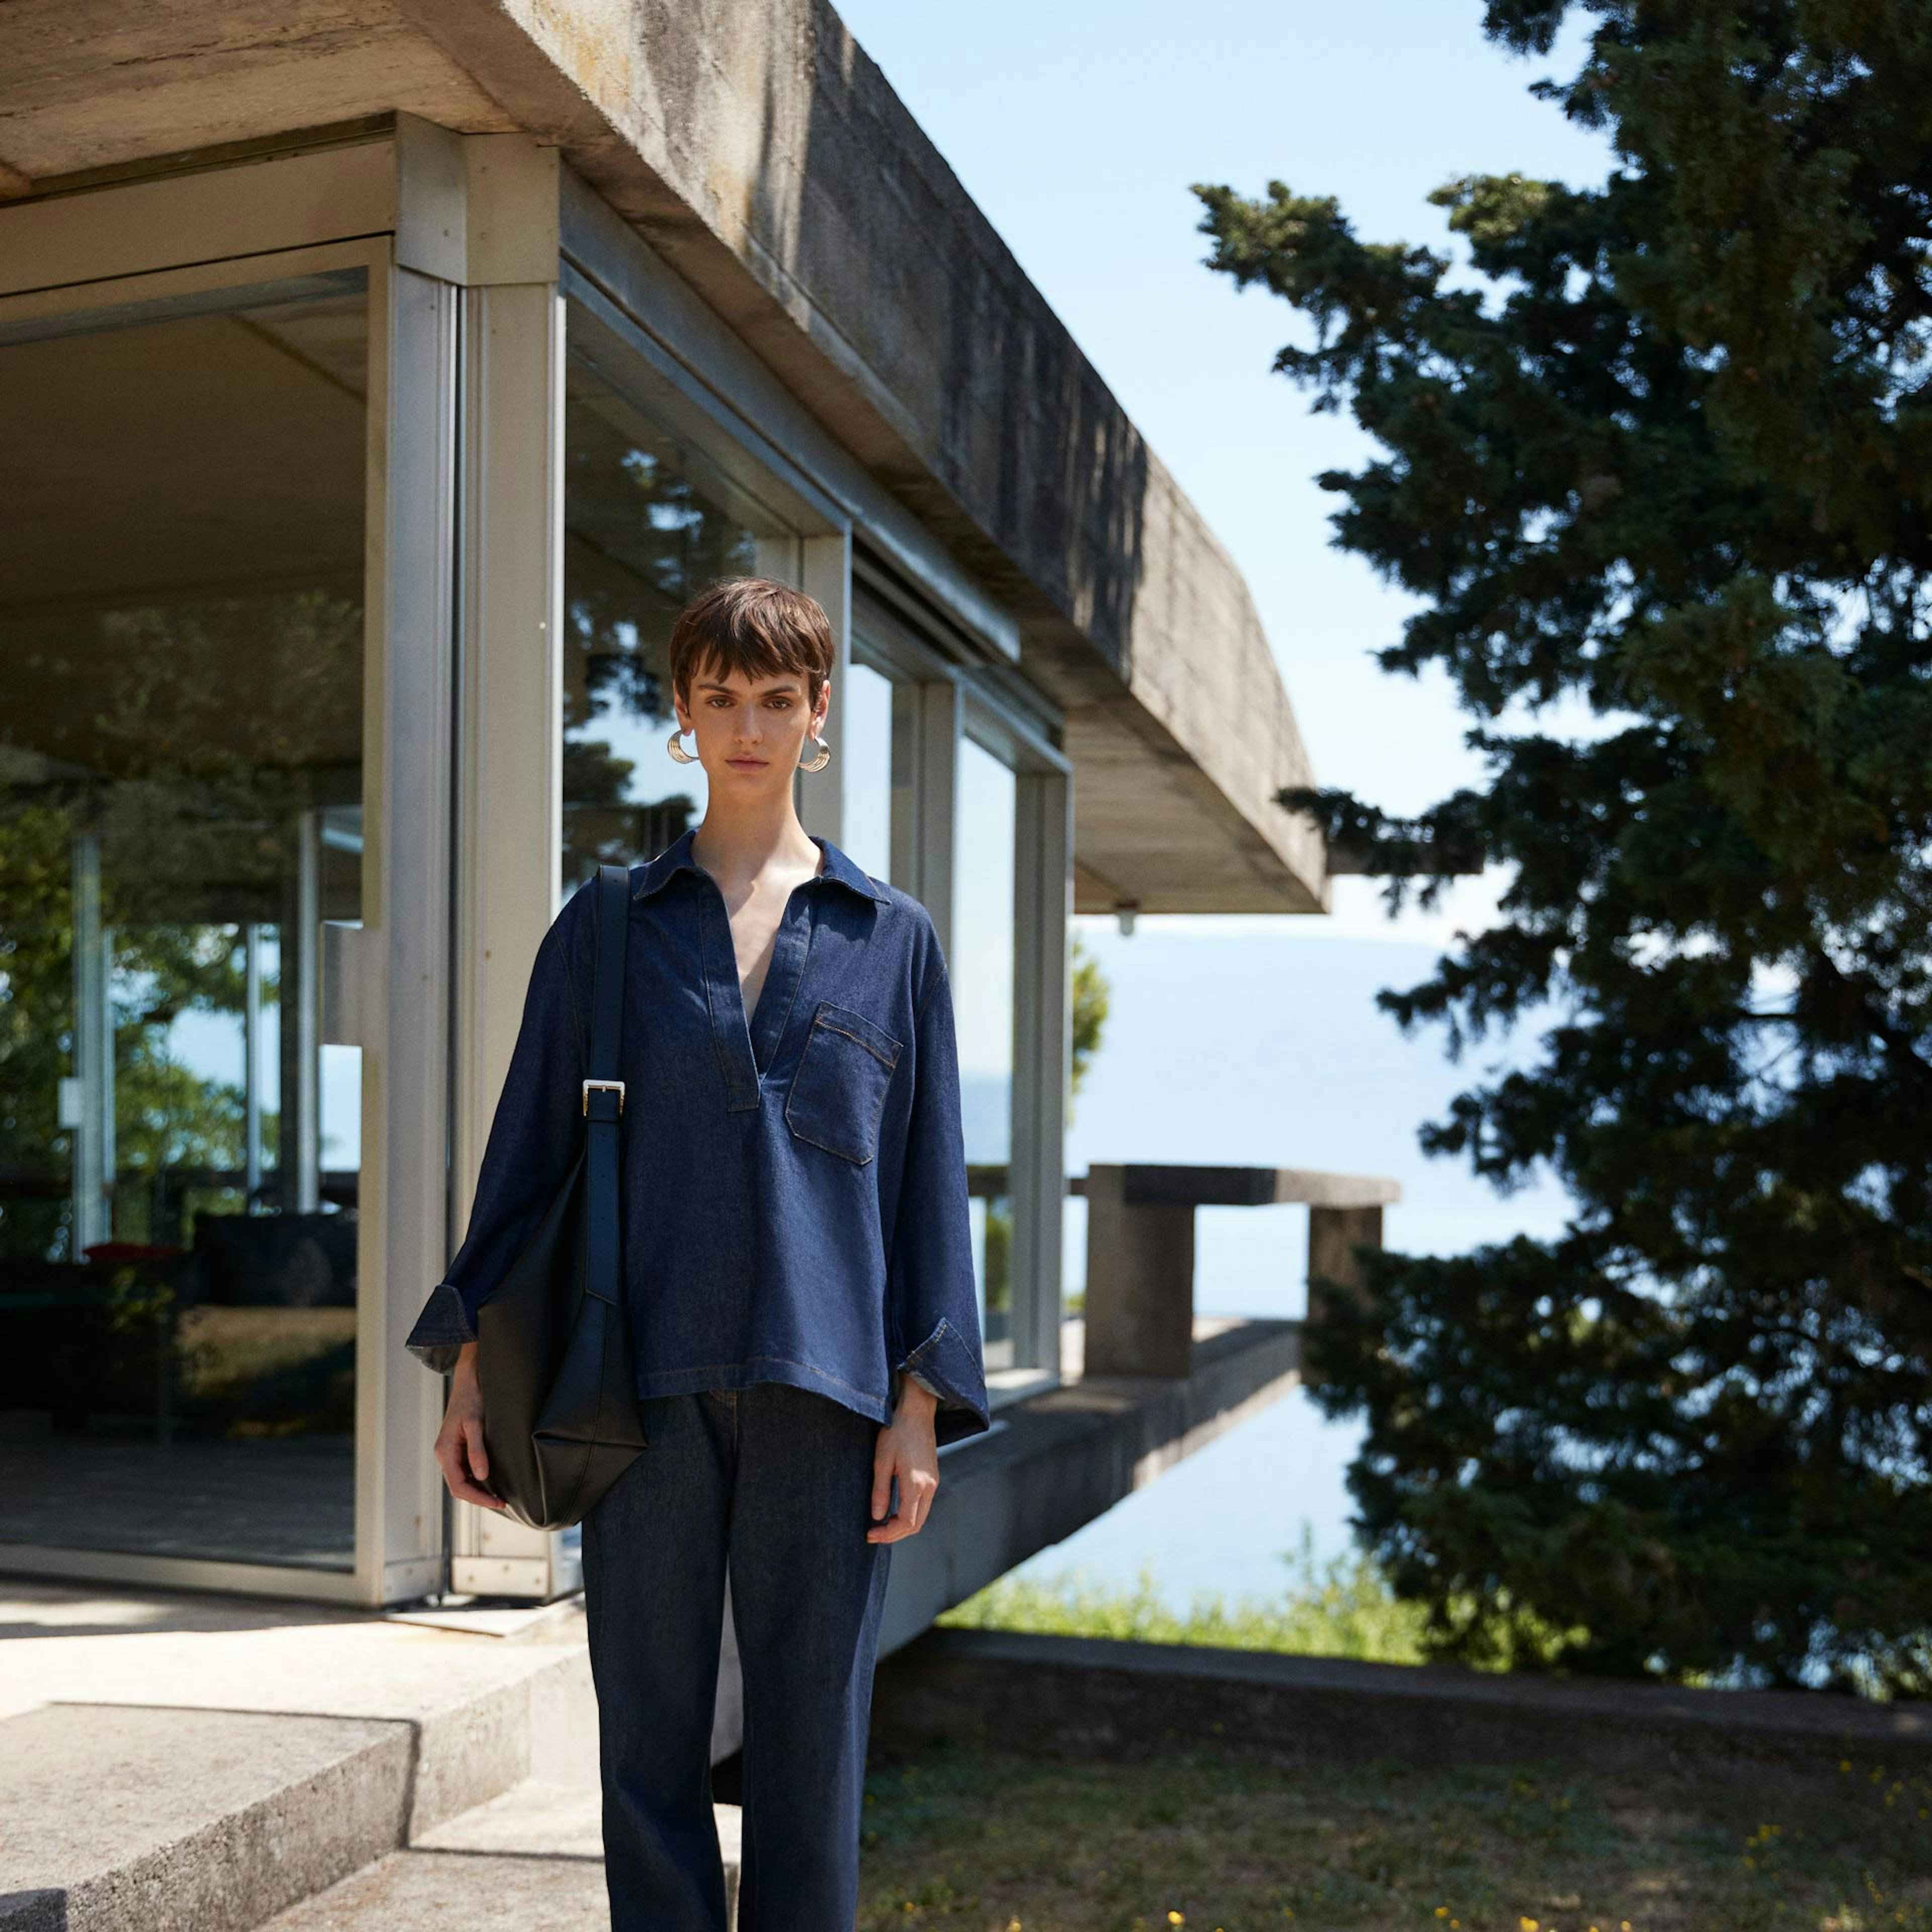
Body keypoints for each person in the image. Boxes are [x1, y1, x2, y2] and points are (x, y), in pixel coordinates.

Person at [401, 577, 992, 1930]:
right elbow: (525, 1163)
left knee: (811, 1756)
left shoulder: (890, 941)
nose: (748, 726)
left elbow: (926, 1185)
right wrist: (471, 1372)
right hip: (641, 1392)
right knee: (647, 1748)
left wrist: (918, 1406)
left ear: (818, 715)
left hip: (830, 1398)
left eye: (776, 700)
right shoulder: (609, 925)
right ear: (681, 714)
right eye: (719, 698)